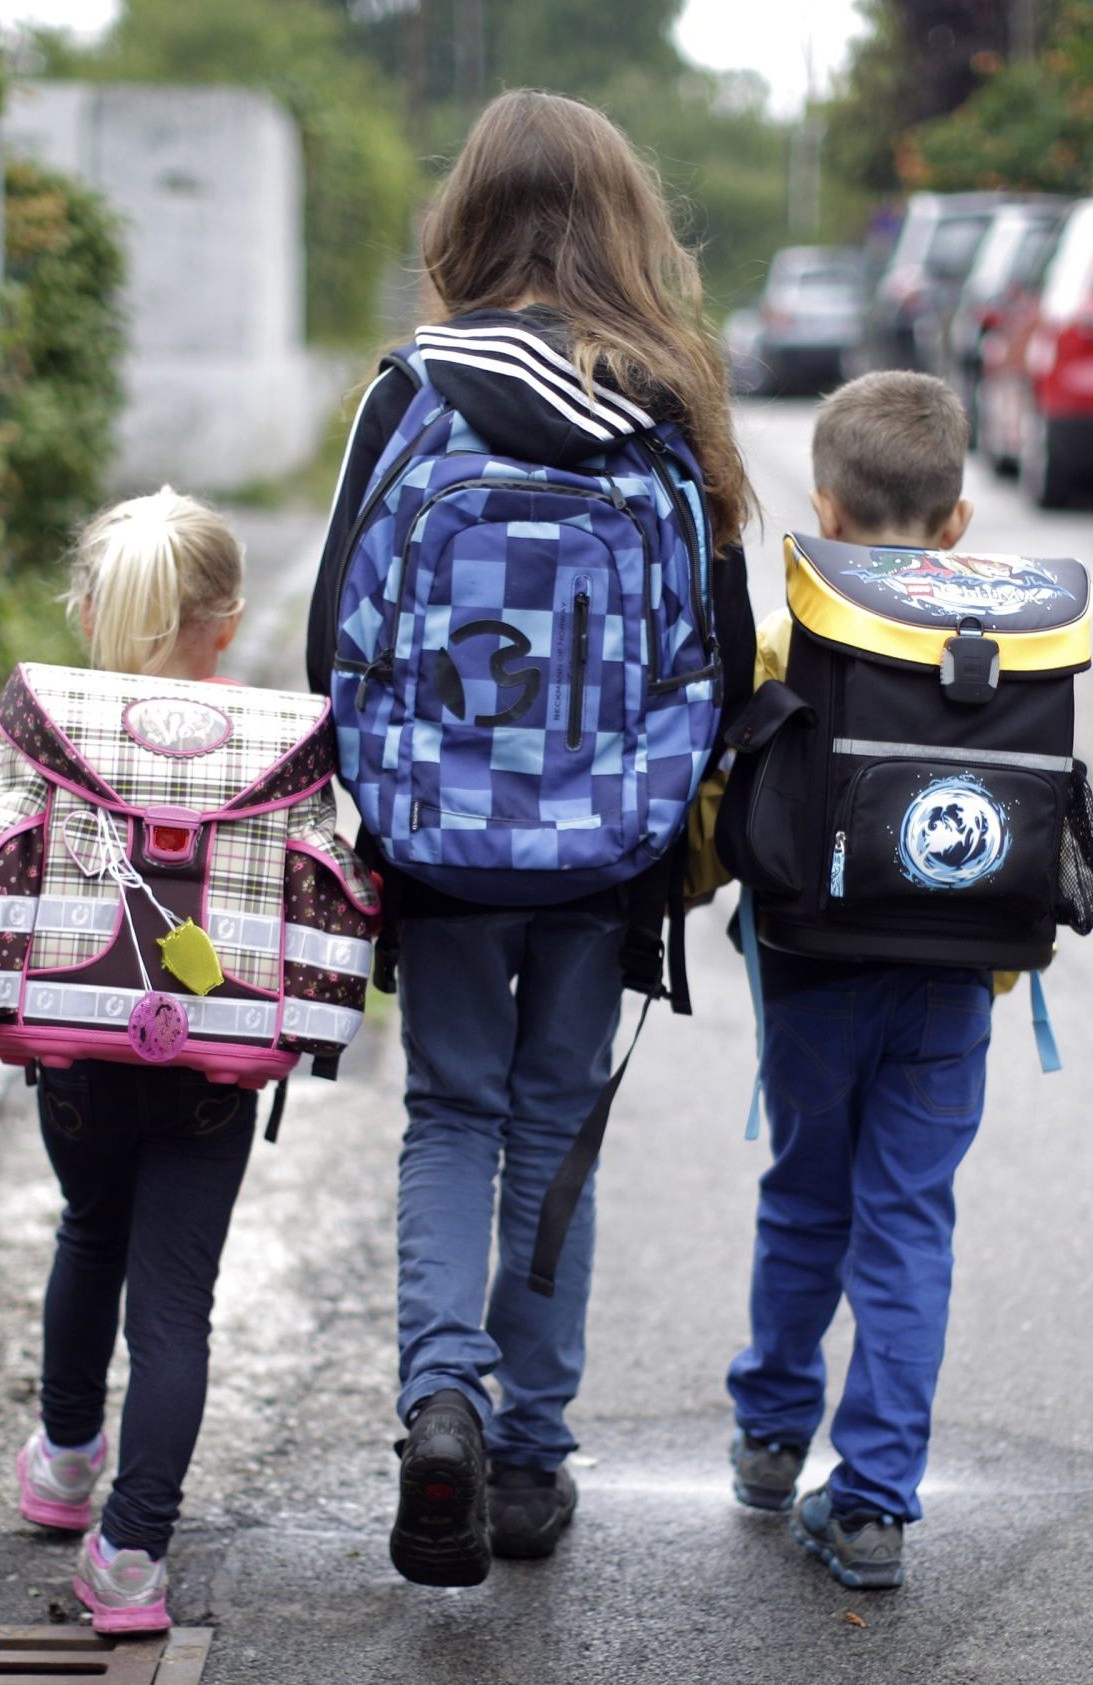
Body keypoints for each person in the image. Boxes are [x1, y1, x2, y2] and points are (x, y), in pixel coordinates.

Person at [305, 90, 754, 1585]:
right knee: (558, 1126)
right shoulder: (666, 397)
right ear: (626, 221)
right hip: (606, 840)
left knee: (450, 1113)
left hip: (437, 836)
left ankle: (443, 1398)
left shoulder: (412, 390)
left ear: (465, 219)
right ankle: (533, 1460)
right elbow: (724, 640)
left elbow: (332, 636)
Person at [0, 488, 255, 1634]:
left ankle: (66, 1459)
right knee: (176, 1306)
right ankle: (130, 1555)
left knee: (90, 1231)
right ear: (230, 619)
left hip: (75, 1063)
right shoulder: (267, 750)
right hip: (212, 1067)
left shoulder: (48, 731)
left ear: (84, 612)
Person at [696, 371, 1000, 1591]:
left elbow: (731, 797)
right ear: (957, 521)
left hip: (813, 970)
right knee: (907, 1222)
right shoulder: (1009, 635)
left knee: (805, 1193)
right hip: (953, 982)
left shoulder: (793, 631)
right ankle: (871, 1500)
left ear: (821, 505)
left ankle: (771, 1437)